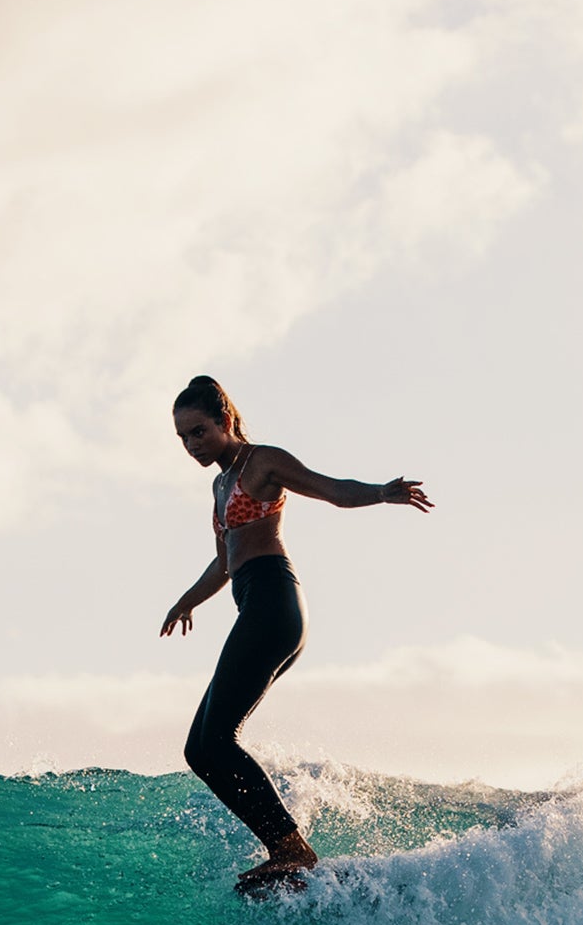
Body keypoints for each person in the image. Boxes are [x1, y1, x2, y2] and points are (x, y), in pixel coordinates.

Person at [158, 375, 431, 895]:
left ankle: (289, 849)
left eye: (198, 432)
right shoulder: (219, 486)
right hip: (254, 604)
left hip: (274, 603)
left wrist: (381, 493)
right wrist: (185, 601)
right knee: (200, 749)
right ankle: (283, 847)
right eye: (183, 438)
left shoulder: (262, 462)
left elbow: (330, 490)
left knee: (216, 739)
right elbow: (224, 563)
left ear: (224, 421)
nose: (192, 445)